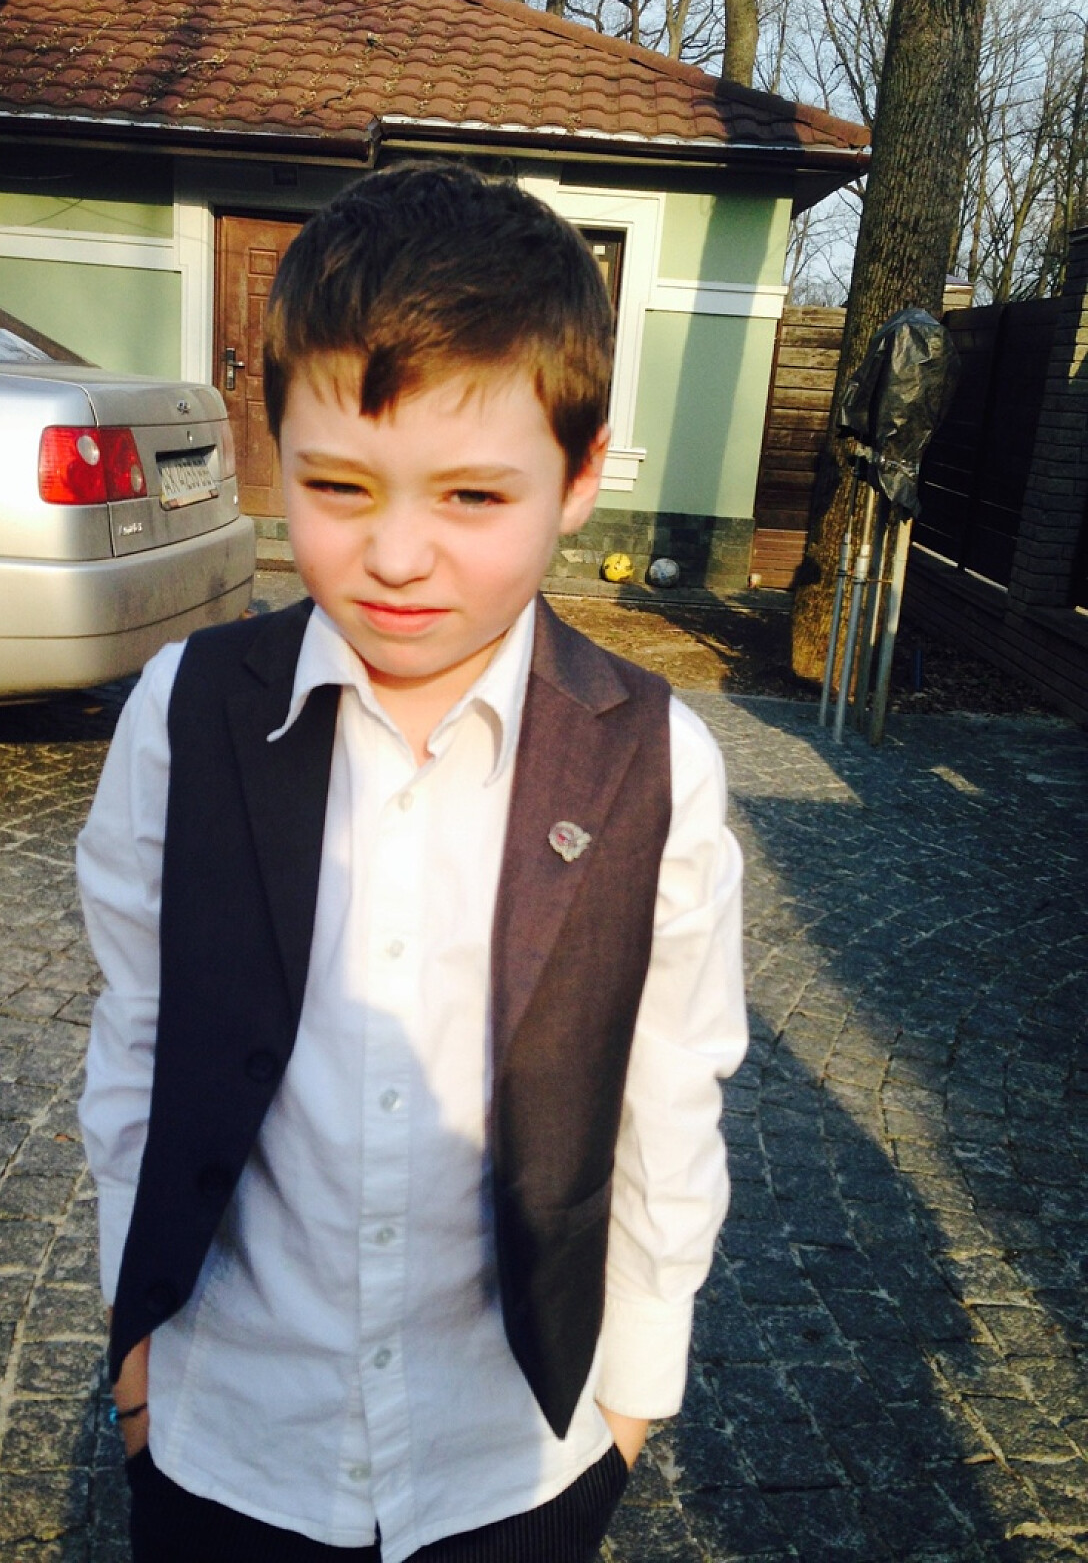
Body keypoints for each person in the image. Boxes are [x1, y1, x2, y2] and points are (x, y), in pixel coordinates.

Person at [77, 160, 747, 1563]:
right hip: (228, 1437)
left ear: (578, 477)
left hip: (508, 1461)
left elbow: (668, 1094)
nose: (395, 555)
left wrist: (631, 1403)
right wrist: (136, 1354)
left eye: (471, 496)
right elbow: (137, 1038)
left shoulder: (655, 764)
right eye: (338, 485)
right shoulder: (185, 717)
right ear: (275, 449)